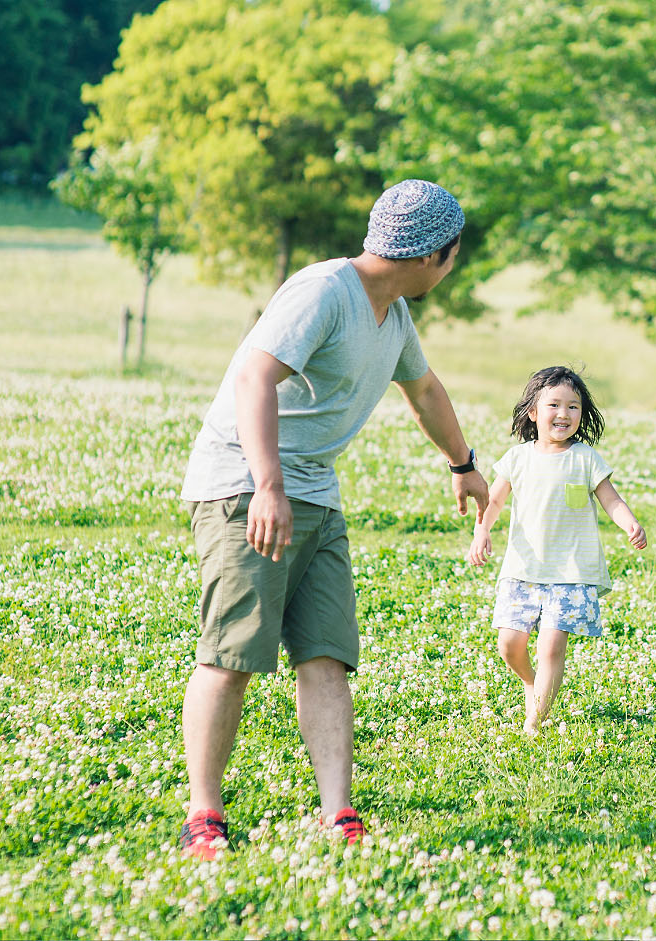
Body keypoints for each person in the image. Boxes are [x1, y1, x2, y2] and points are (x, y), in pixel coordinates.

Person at [176, 179, 489, 860]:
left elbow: (425, 390)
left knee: (326, 654)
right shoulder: (323, 291)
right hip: (245, 485)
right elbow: (255, 377)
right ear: (437, 253)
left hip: (314, 491)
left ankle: (336, 810)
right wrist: (267, 485)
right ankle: (203, 813)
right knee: (234, 653)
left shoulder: (393, 315)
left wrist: (463, 462)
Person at [466, 366, 647, 736]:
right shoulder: (518, 457)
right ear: (533, 412)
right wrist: (481, 531)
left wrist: (629, 522)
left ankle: (536, 719)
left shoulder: (585, 458)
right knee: (509, 644)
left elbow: (611, 500)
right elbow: (495, 501)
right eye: (554, 405)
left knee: (551, 647)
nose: (564, 414)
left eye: (573, 407)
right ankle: (531, 683)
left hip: (570, 572)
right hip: (523, 568)